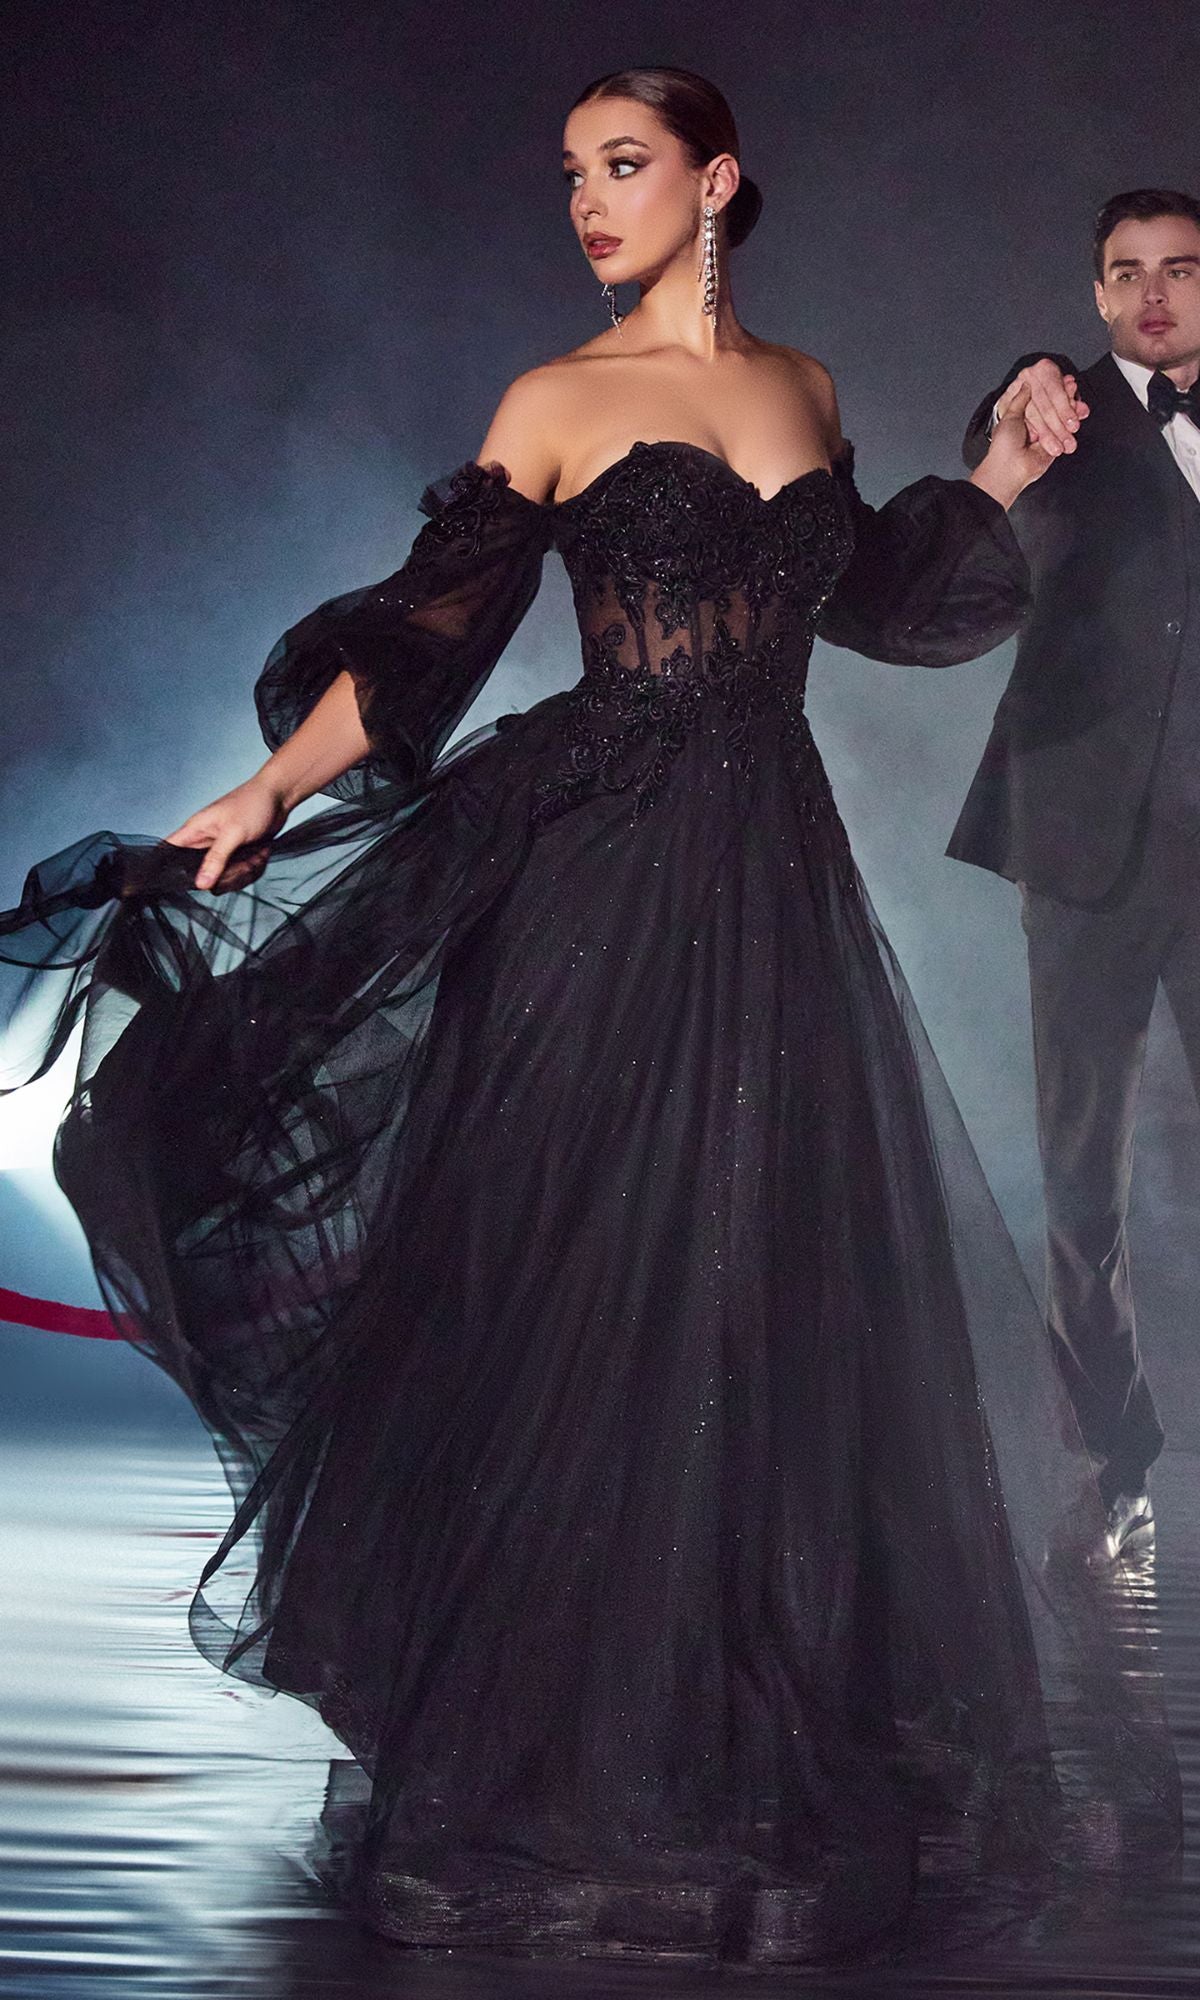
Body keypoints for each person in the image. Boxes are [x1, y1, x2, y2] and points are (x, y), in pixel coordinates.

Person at [0, 72, 1180, 1967]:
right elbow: (420, 647)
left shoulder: (799, 391)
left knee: (754, 1296)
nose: (586, 201)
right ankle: (538, 1754)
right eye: (568, 175)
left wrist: (1016, 473)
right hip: (593, 877)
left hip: (772, 890)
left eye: (620, 166)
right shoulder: (554, 404)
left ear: (716, 181)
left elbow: (873, 597)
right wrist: (266, 794)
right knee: (582, 1288)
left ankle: (727, 1750)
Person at [953, 188, 1200, 1563]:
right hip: (1088, 851)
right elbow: (981, 462)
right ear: (1098, 294)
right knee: (1083, 1182)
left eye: (1181, 270)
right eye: (1127, 274)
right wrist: (1017, 424)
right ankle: (1117, 1469)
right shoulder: (1051, 408)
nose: (1155, 294)